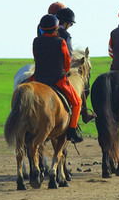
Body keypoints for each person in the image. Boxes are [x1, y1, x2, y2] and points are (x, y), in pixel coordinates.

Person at [33, 14, 84, 143]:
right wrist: (65, 71)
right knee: (77, 102)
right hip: (57, 79)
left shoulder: (36, 41)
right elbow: (67, 61)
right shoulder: (61, 42)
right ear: (56, 29)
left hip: (37, 79)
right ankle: (72, 130)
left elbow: (36, 58)